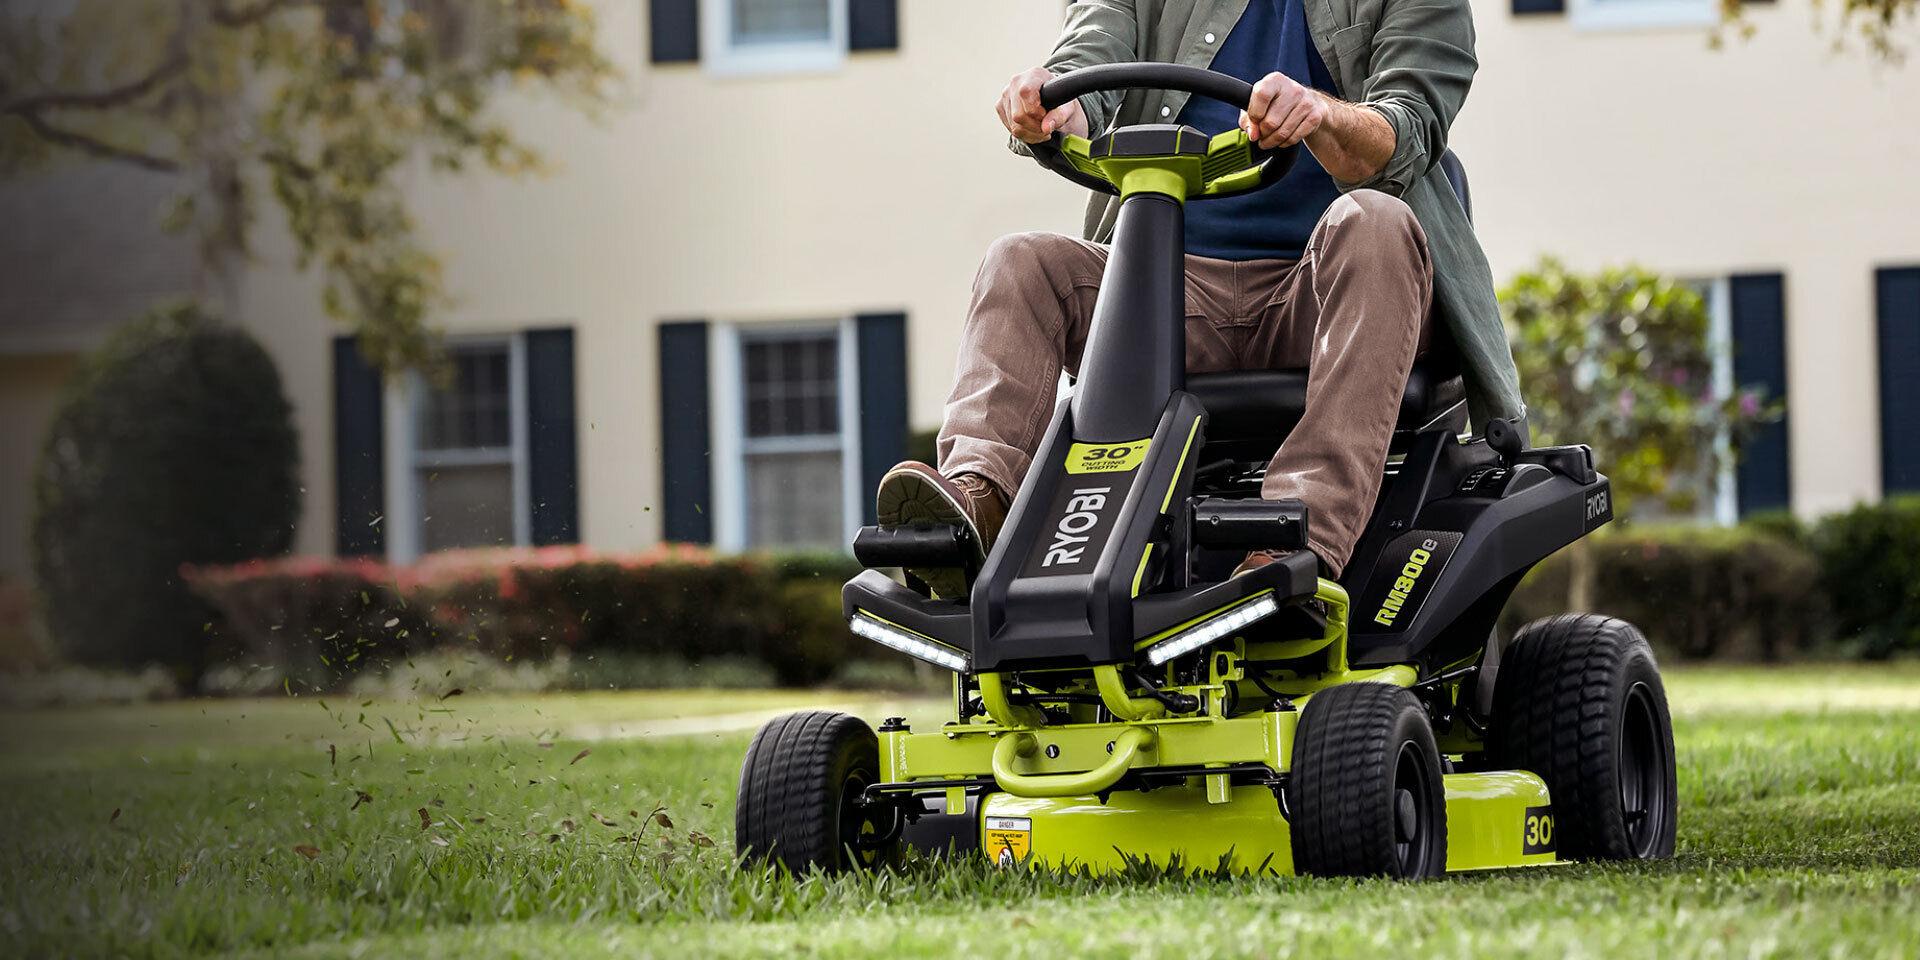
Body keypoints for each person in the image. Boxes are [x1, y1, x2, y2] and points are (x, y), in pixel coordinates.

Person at [876, 0, 1524, 599]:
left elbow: (1406, 128)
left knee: (1376, 221)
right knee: (1018, 260)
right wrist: (1056, 107)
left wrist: (1321, 113)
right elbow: (1089, 51)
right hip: (1167, 296)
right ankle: (977, 506)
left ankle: (1295, 544)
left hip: (1329, 292)